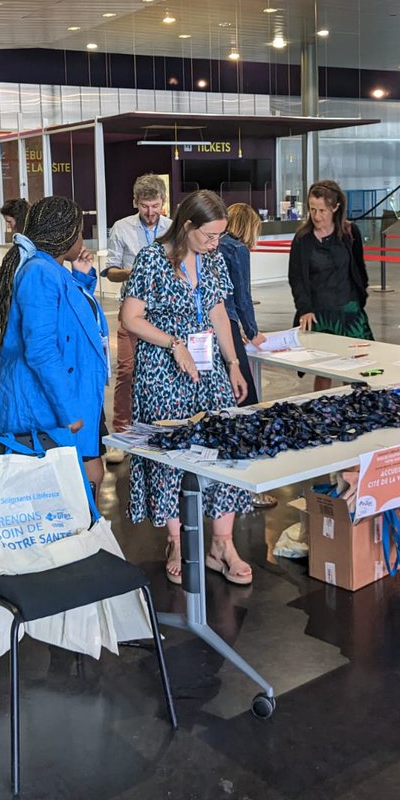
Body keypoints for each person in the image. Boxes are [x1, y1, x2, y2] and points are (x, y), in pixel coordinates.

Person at [120, 190, 253, 586]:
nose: (216, 244)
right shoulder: (152, 260)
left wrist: (233, 363)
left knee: (224, 448)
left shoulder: (212, 259)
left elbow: (218, 313)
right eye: (209, 236)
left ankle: (222, 544)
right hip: (163, 371)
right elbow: (131, 318)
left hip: (209, 369)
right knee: (171, 454)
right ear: (188, 226)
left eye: (219, 237)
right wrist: (174, 344)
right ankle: (176, 541)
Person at [0, 196, 109, 497]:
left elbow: (66, 316)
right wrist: (69, 411)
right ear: (66, 234)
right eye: (79, 231)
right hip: (46, 409)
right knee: (69, 492)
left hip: (61, 401)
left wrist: (80, 278)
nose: (82, 238)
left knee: (87, 481)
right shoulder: (39, 273)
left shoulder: (51, 269)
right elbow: (41, 350)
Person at [103, 174, 171, 461]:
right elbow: (110, 270)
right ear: (135, 203)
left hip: (165, 312)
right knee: (128, 371)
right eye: (145, 206)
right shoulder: (121, 228)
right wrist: (135, 271)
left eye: (155, 206)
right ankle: (121, 435)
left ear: (163, 203)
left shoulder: (173, 228)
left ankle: (161, 430)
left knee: (164, 373)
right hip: (132, 311)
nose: (151, 212)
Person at [218, 204, 277, 511]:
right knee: (246, 400)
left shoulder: (214, 245)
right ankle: (251, 486)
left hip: (212, 329)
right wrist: (252, 332)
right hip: (226, 327)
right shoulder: (237, 249)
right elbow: (241, 295)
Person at [288, 179, 371, 391]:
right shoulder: (303, 239)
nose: (316, 216)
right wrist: (304, 308)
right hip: (319, 314)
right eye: (313, 209)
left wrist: (360, 298)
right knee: (324, 370)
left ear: (335, 208)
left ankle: (356, 412)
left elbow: (359, 269)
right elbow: (296, 277)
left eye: (322, 210)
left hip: (349, 312)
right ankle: (324, 415)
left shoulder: (350, 233)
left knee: (354, 370)